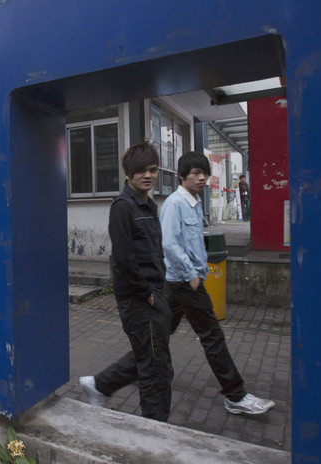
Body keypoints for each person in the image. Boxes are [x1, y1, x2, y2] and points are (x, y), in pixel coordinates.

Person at [80, 151, 274, 416]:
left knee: (154, 349)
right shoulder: (152, 205)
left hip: (169, 287)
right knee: (195, 343)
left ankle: (101, 384)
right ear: (182, 176)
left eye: (153, 170)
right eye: (195, 173)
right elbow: (149, 251)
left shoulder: (156, 204)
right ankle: (234, 394)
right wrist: (164, 285)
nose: (201, 178)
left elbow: (156, 248)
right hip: (178, 284)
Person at [86, 140, 174, 422]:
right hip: (139, 298)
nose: (148, 175)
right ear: (127, 174)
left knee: (153, 360)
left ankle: (100, 385)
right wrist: (147, 292)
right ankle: (155, 427)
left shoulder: (149, 205)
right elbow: (124, 258)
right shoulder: (123, 207)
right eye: (140, 171)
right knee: (155, 368)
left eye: (152, 170)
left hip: (153, 293)